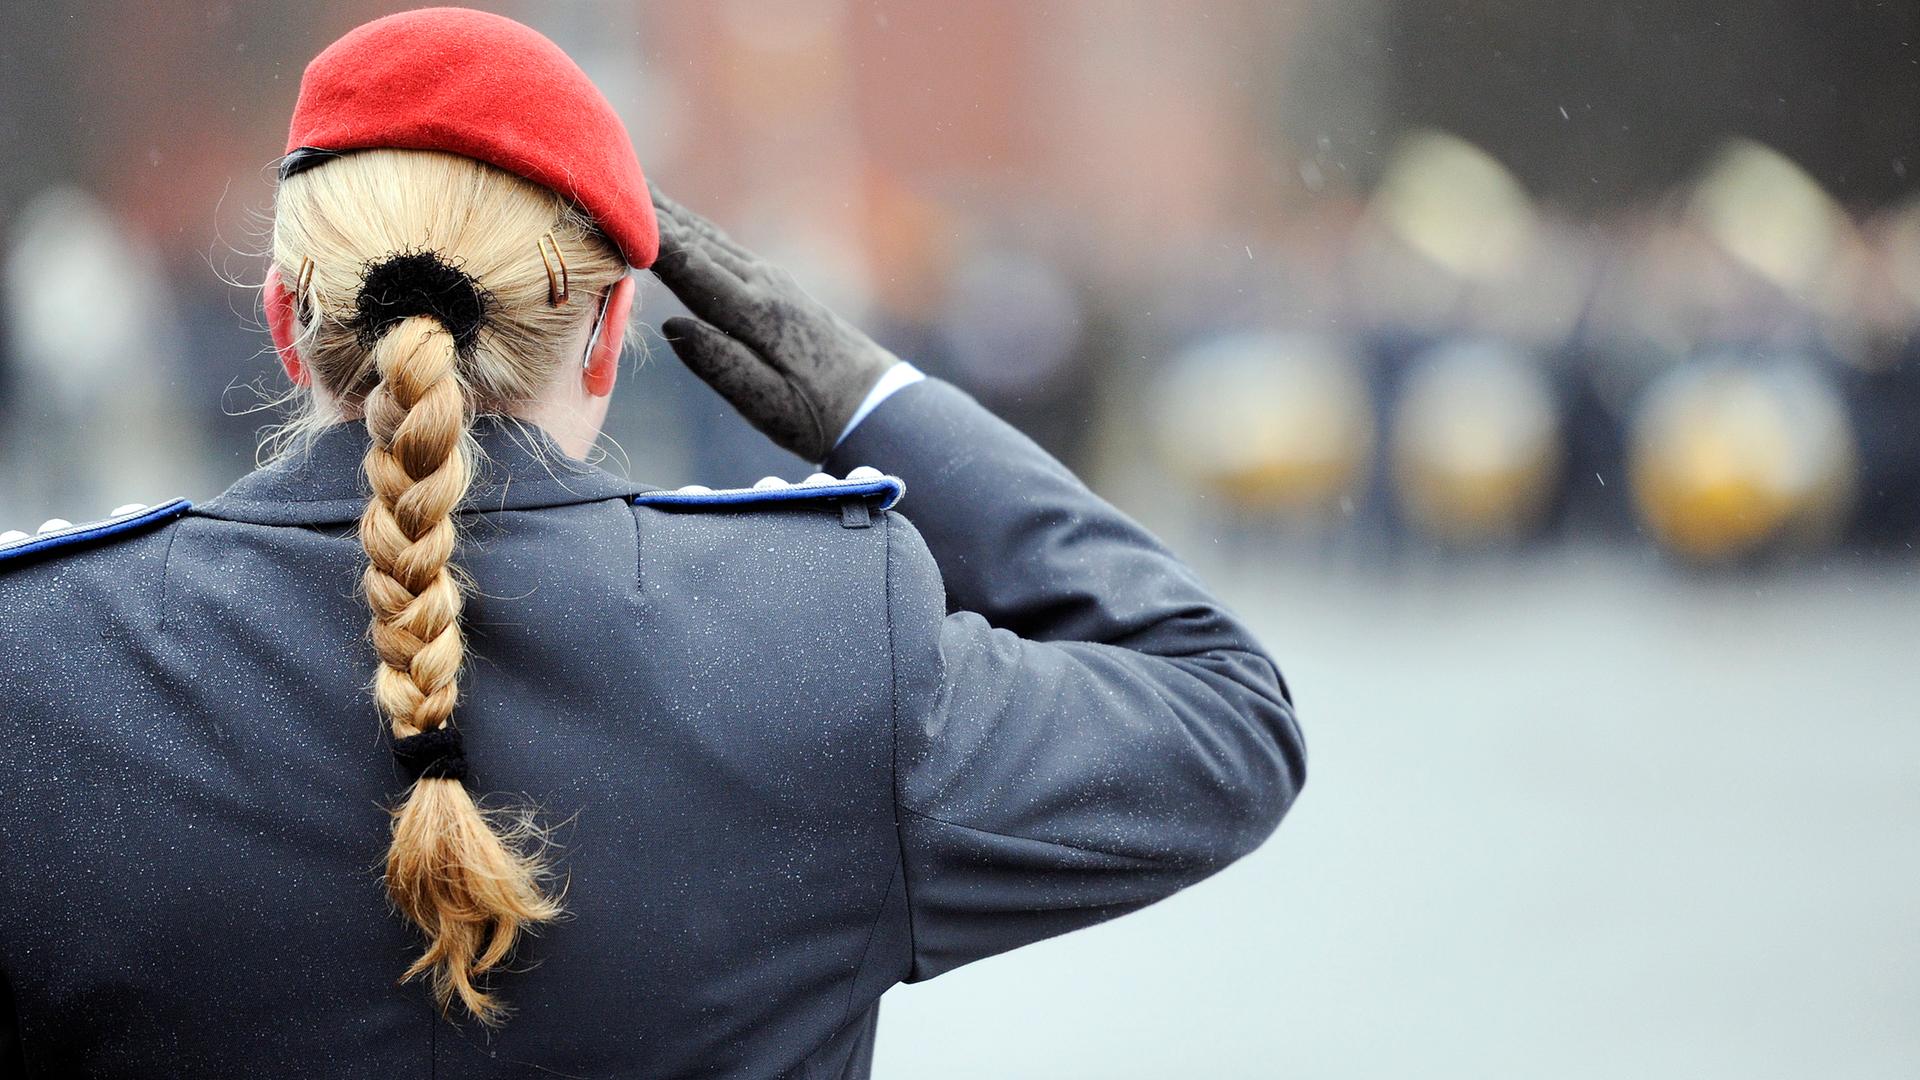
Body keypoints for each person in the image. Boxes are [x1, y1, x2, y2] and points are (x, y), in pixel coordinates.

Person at [0, 9, 1303, 1077]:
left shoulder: (39, 668)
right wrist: (879, 405)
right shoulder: (820, 644)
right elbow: (1224, 718)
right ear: (612, 331)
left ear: (288, 325)